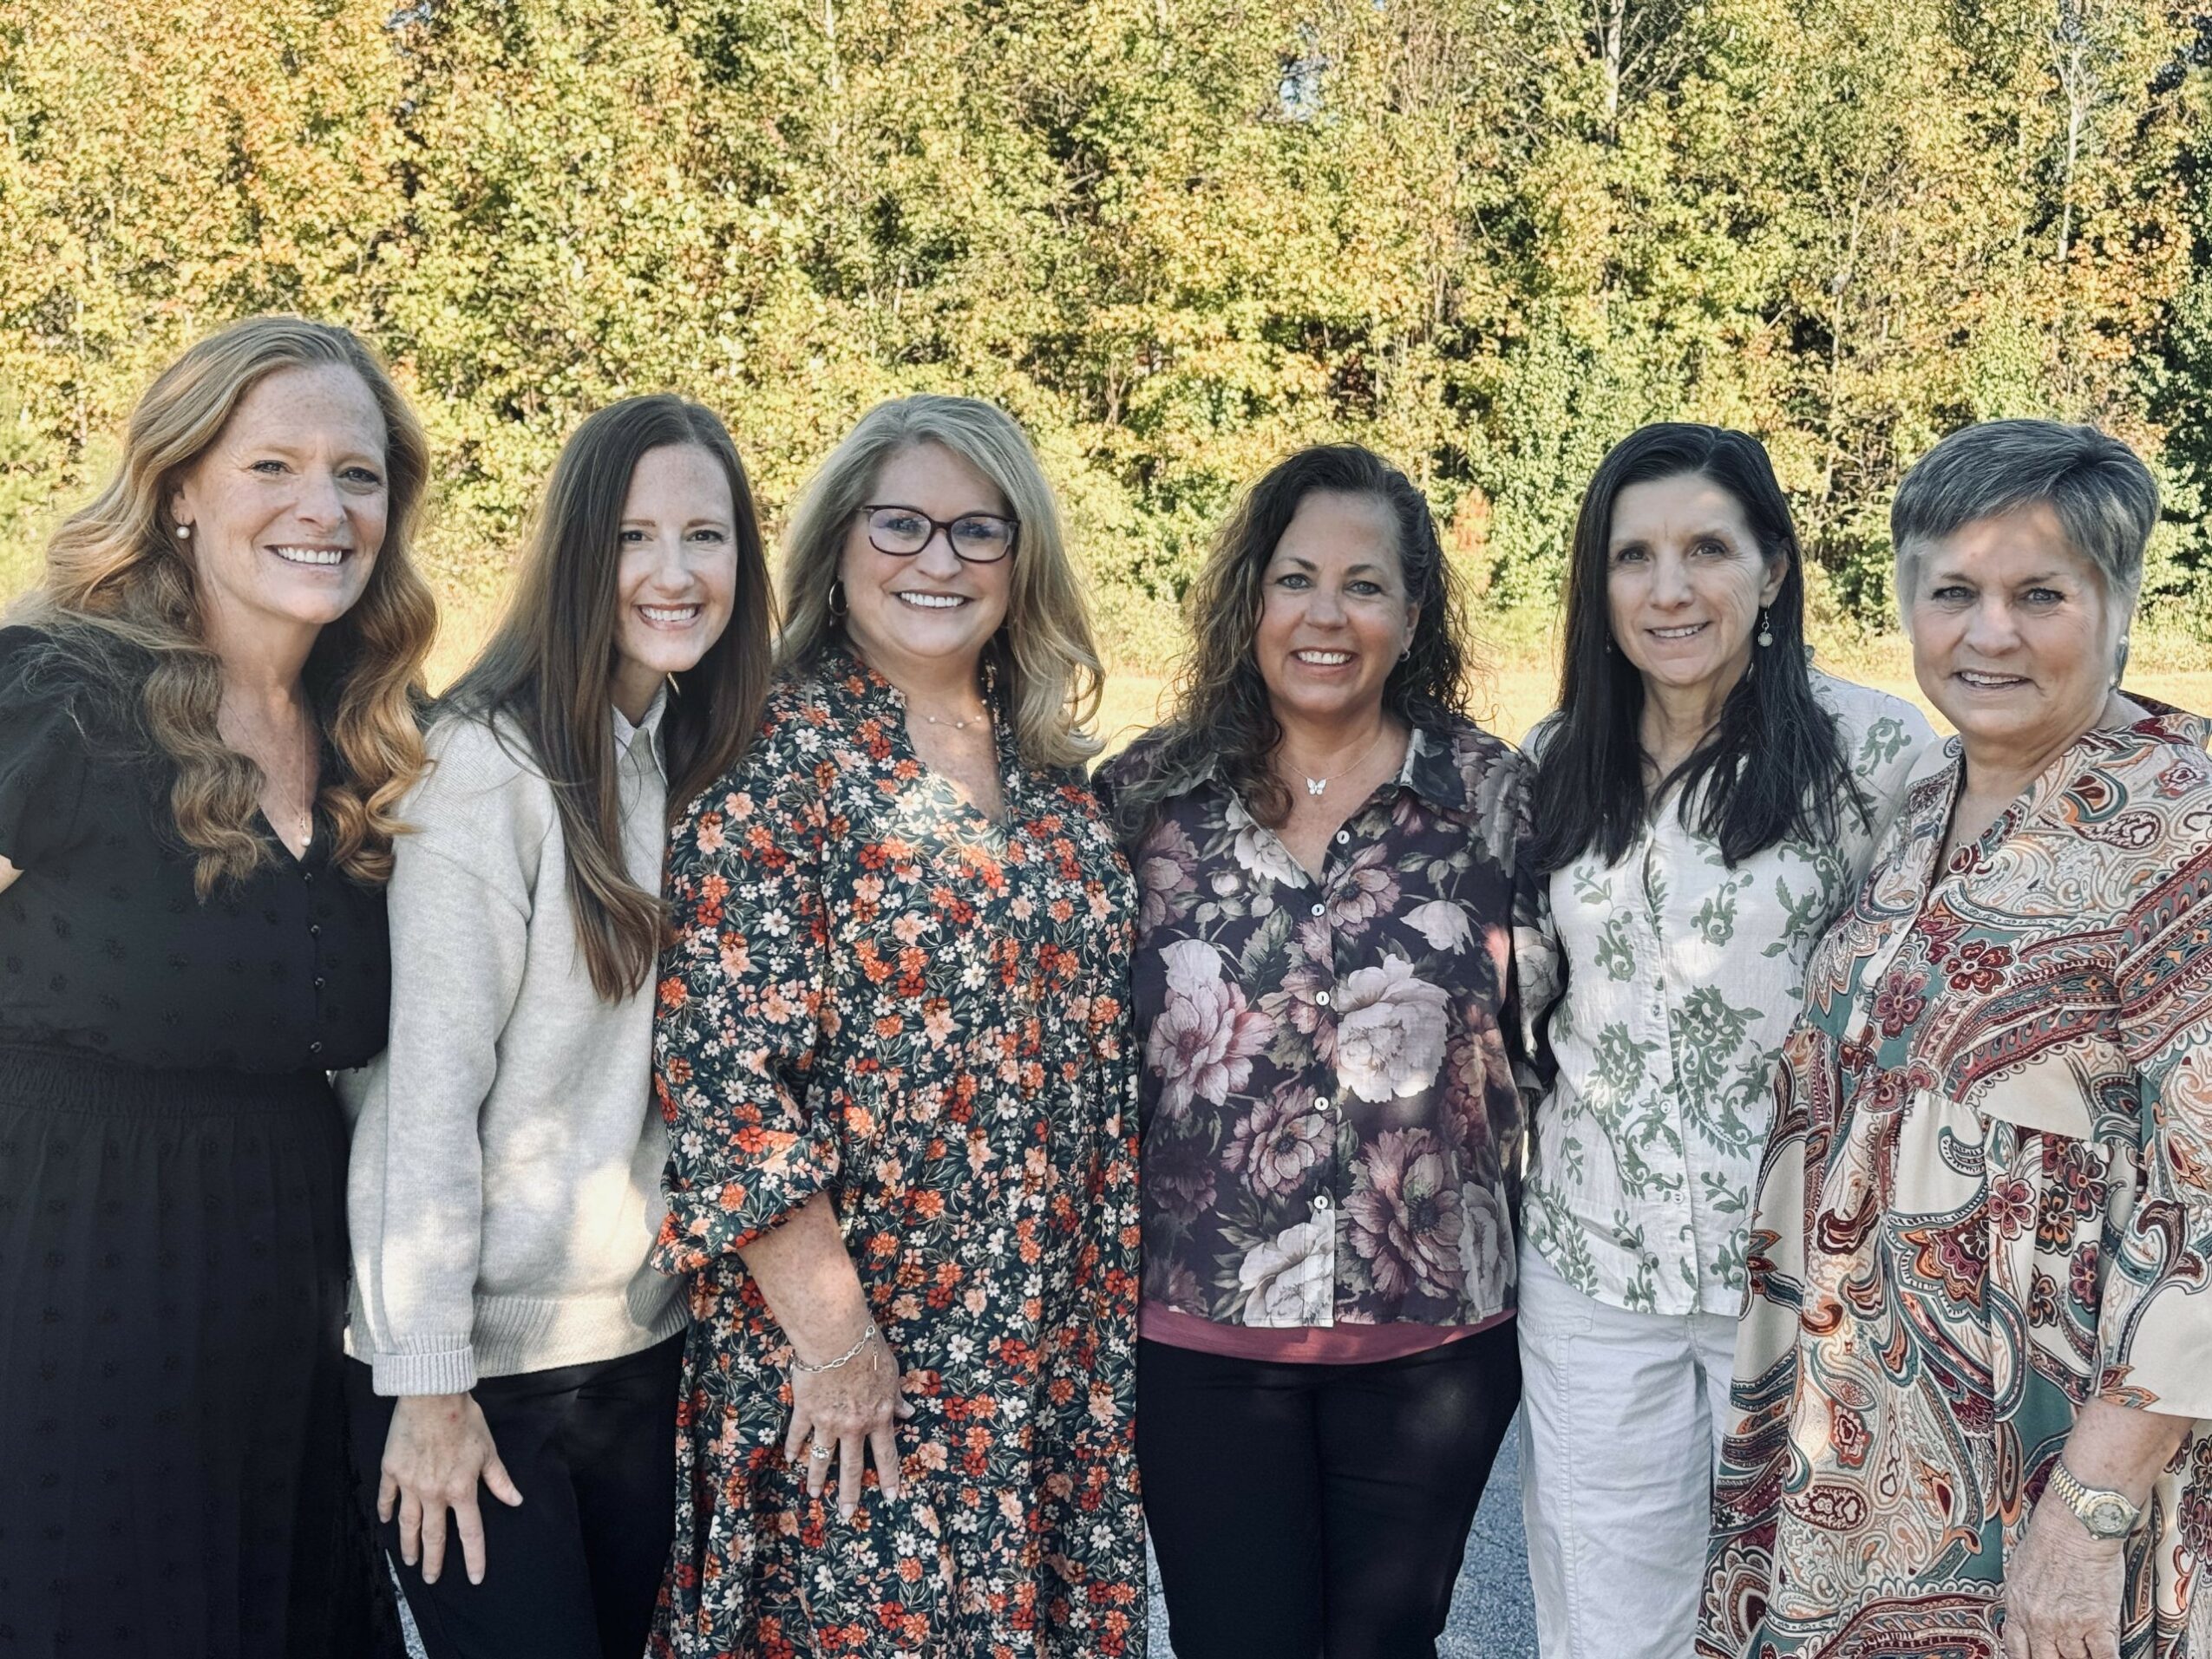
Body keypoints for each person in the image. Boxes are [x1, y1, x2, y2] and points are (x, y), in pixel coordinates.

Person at [1700, 420, 2212, 1659]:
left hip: (2059, 1466)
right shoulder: (1926, 796)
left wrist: (2090, 1511)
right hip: (1858, 1444)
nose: (1990, 633)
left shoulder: (2184, 829)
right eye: (1953, 593)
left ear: (2119, 600)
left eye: (2039, 594)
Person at [649, 394, 1144, 1657]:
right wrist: (838, 1346)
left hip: (1048, 1346)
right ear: (838, 542)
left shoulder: (1052, 771)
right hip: (859, 1352)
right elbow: (726, 1085)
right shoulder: (772, 758)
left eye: (979, 530)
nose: (939, 560)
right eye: (902, 524)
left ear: (1022, 557)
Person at [0, 316, 435, 1656]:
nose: (324, 508)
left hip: (282, 1319)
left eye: (357, 475)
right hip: (63, 1286)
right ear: (180, 489)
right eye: (273, 467)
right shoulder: (55, 696)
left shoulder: (374, 741)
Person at [341, 395, 774, 1659]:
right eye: (634, 537)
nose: (673, 572)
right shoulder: (487, 767)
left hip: (633, 1347)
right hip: (478, 1375)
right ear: (579, 551)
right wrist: (429, 1381)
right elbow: (424, 1094)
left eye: (704, 536)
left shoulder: (681, 752)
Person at [1096, 444, 1531, 1659]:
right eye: (1294, 579)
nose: (1325, 615)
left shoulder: (1495, 800)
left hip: (1432, 1346)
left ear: (1413, 614)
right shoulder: (1144, 800)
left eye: (1364, 584)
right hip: (1201, 1338)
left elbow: (1555, 1043)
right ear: (1250, 600)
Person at [1515, 423, 1933, 1658]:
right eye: (1632, 556)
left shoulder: (1876, 754)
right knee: (1608, 1622)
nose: (1669, 589)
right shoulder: (1557, 759)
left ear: (1774, 568)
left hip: (1810, 1279)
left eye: (1706, 548)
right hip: (1595, 1273)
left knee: (1816, 1614)